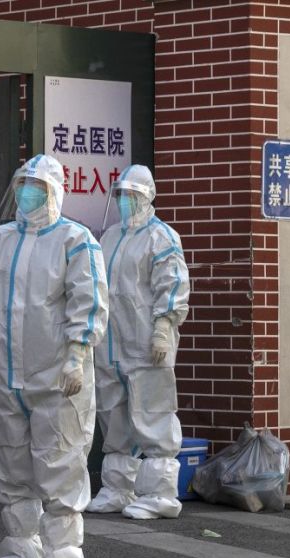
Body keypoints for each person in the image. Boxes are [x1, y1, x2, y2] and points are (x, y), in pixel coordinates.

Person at [0, 153, 109, 558]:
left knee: (60, 458)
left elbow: (89, 300)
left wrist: (77, 355)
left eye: (37, 186)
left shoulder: (75, 240)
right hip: (7, 377)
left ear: (55, 192)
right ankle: (21, 545)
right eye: (23, 183)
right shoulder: (1, 240)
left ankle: (65, 554)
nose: (27, 192)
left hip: (57, 378)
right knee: (9, 460)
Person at [86, 164, 190, 520]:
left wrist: (164, 326)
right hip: (111, 343)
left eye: (133, 195)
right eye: (121, 195)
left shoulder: (161, 237)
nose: (126, 201)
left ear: (148, 197)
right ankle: (117, 488)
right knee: (113, 416)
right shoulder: (110, 236)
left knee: (152, 413)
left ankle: (160, 494)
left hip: (147, 342)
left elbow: (172, 285)